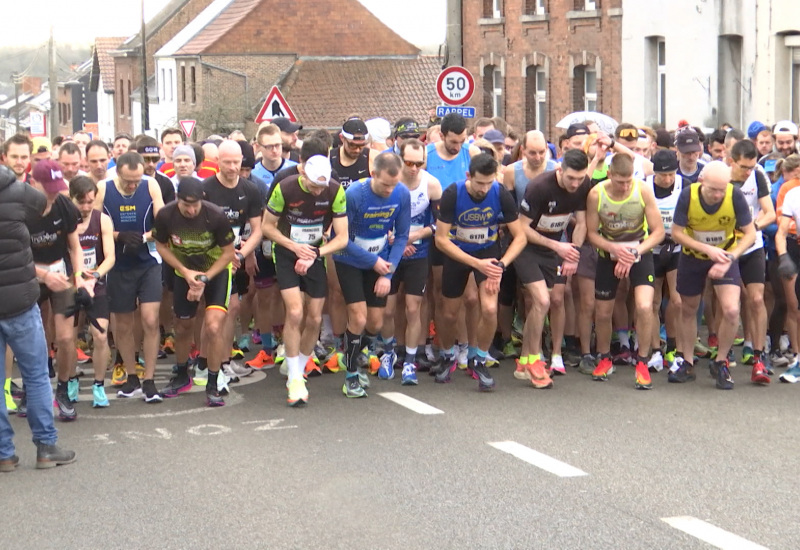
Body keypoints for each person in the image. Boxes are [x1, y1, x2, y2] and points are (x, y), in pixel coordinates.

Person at [0, 164, 76, 471]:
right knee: (35, 375)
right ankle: (46, 447)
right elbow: (42, 207)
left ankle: (4, 453)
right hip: (20, 300)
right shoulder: (20, 193)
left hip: (18, 296)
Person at [433, 153, 527, 391]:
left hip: (489, 253)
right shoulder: (453, 194)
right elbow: (441, 240)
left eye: (489, 182)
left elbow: (521, 237)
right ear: (468, 176)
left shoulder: (500, 193)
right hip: (458, 253)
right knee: (450, 313)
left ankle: (479, 359)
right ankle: (447, 354)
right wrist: (475, 264)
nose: (484, 189)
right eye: (479, 183)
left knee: (489, 308)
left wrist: (501, 264)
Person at [262, 155, 349, 405]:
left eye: (321, 187)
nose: (318, 191)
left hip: (315, 253)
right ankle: (296, 378)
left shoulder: (335, 190)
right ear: (303, 174)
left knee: (314, 318)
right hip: (287, 252)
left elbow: (342, 237)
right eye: (313, 186)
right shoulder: (285, 187)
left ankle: (297, 368)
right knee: (296, 312)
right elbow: (267, 227)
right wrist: (294, 247)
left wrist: (315, 254)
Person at [670, 161, 757, 388]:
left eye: (723, 188)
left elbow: (750, 234)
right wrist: (707, 249)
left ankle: (721, 362)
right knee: (688, 308)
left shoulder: (734, 196)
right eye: (713, 189)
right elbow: (677, 233)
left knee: (731, 309)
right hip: (693, 256)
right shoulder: (688, 195)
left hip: (725, 255)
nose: (719, 194)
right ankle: (687, 361)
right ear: (702, 182)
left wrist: (731, 257)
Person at [584, 154, 665, 389]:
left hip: (640, 251)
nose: (625, 186)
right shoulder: (596, 194)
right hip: (608, 253)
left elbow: (658, 232)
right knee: (602, 310)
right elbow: (591, 233)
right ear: (609, 175)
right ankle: (605, 357)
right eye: (620, 181)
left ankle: (642, 360)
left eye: (629, 180)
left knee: (644, 306)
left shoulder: (642, 191)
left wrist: (634, 253)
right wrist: (615, 250)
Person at [333, 153, 410, 396]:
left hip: (381, 262)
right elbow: (341, 239)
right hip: (350, 259)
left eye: (394, 184)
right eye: (385, 184)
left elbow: (401, 236)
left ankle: (354, 353)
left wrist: (388, 273)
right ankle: (351, 376)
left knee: (376, 322)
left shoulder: (402, 194)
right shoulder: (355, 194)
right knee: (358, 317)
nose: (390, 190)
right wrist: (373, 261)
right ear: (373, 174)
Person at [154, 179, 236, 406]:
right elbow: (160, 245)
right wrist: (183, 271)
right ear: (177, 200)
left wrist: (205, 278)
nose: (191, 210)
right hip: (184, 272)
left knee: (213, 326)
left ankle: (212, 382)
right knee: (182, 326)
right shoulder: (166, 215)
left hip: (215, 271)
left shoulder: (216, 215)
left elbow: (229, 253)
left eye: (195, 205)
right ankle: (181, 374)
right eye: (185, 205)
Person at [516, 149, 590, 386]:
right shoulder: (539, 188)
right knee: (543, 302)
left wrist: (573, 254)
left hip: (552, 250)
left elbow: (582, 224)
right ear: (559, 169)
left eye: (580, 179)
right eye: (571, 178)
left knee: (542, 304)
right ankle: (536, 361)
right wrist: (557, 246)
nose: (575, 183)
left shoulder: (582, 185)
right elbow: (521, 228)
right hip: (526, 247)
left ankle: (524, 360)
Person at [95, 152, 165, 402]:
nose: (133, 185)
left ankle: (149, 379)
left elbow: (163, 223)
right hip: (118, 264)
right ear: (118, 173)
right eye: (128, 181)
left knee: (149, 319)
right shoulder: (103, 188)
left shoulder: (151, 185)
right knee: (123, 323)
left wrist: (145, 237)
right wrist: (117, 236)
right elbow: (93, 225)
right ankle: (132, 375)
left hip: (148, 261)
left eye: (137, 180)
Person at [27, 160, 87, 420]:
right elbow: (11, 256)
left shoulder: (64, 205)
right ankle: (34, 389)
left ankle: (63, 389)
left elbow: (75, 247)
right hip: (27, 274)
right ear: (32, 183)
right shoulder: (19, 210)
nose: (53, 193)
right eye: (47, 188)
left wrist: (80, 277)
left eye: (57, 187)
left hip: (60, 273)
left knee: (65, 338)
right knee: (30, 337)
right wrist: (43, 275)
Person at [381, 139, 442, 384]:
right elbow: (376, 217)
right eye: (408, 163)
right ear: (399, 158)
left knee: (413, 308)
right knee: (387, 309)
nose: (414, 168)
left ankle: (410, 360)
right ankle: (388, 353)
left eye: (419, 163)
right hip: (390, 253)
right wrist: (396, 241)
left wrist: (414, 236)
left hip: (418, 253)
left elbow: (440, 224)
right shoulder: (389, 182)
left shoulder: (432, 184)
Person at [201, 141, 261, 382]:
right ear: (217, 162)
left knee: (232, 308)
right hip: (208, 257)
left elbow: (257, 229)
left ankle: (223, 361)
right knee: (214, 312)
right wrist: (223, 254)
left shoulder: (251, 190)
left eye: (237, 162)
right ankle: (207, 362)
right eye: (227, 162)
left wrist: (241, 254)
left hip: (234, 256)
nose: (233, 167)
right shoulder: (206, 189)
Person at [726, 139, 775, 373]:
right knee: (728, 303)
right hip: (726, 249)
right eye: (744, 167)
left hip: (753, 246)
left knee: (756, 299)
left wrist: (751, 228)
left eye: (751, 167)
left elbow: (770, 213)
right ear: (731, 161)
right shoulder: (720, 178)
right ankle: (723, 354)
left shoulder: (757, 176)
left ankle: (758, 355)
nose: (748, 172)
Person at [69, 176, 116, 407]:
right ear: (71, 199)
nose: (86, 207)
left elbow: (110, 257)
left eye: (90, 201)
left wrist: (95, 275)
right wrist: (76, 280)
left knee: (100, 335)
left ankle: (99, 385)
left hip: (95, 284)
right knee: (67, 338)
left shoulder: (103, 221)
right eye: (81, 202)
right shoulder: (65, 222)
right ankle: (70, 380)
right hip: (69, 285)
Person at [646, 149, 684, 372]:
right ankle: (655, 350)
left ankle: (674, 347)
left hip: (677, 248)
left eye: (671, 174)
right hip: (652, 248)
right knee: (653, 302)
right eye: (663, 175)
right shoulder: (645, 186)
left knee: (677, 301)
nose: (667, 179)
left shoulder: (683, 185)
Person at [329, 117, 378, 189]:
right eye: (352, 145)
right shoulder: (328, 158)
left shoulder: (373, 157)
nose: (357, 150)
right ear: (342, 138)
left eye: (361, 145)